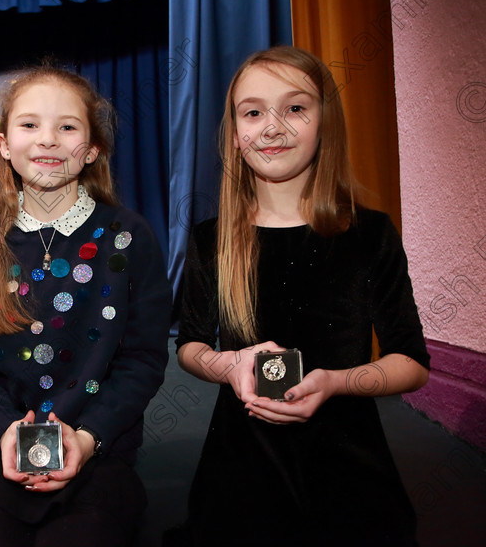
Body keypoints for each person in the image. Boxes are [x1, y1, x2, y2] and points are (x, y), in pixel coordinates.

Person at [173, 46, 430, 546]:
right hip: (241, 464)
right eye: (253, 112)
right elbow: (191, 344)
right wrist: (227, 365)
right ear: (235, 133)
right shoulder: (213, 238)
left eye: (295, 108)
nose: (272, 127)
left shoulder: (369, 233)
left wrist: (336, 382)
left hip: (348, 461)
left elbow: (411, 362)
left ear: (323, 122)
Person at [0, 63, 172, 547]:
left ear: (91, 149)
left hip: (98, 449)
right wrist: (1, 431)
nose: (47, 139)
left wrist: (86, 437)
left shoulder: (129, 238)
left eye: (66, 126)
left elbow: (143, 359)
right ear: (3, 144)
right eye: (29, 125)